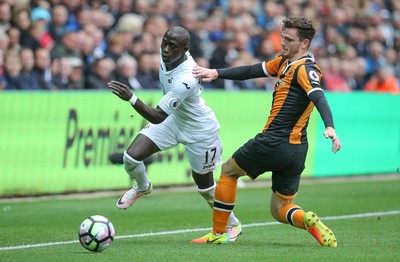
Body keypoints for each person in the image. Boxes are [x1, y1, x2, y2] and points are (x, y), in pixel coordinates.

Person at [191, 16, 342, 246]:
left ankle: (219, 232)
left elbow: (319, 96)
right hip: (296, 151)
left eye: (289, 40)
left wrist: (330, 126)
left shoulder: (305, 69)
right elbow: (252, 70)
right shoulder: (284, 62)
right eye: (282, 37)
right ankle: (307, 219)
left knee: (229, 172)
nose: (282, 43)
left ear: (304, 44)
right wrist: (217, 73)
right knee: (280, 209)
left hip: (273, 141)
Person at [107, 26, 242, 241]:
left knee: (204, 186)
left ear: (185, 49)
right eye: (165, 43)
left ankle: (233, 224)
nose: (166, 49)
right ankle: (143, 186)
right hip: (173, 120)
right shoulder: (166, 57)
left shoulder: (186, 78)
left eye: (173, 46)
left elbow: (157, 116)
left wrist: (132, 98)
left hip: (199, 130)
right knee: (130, 157)